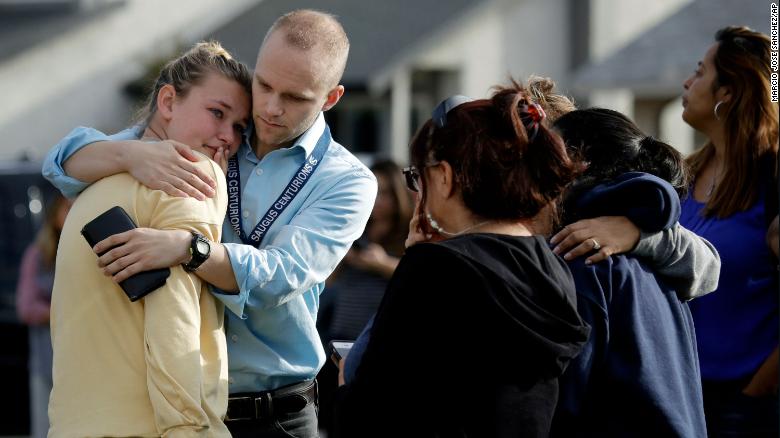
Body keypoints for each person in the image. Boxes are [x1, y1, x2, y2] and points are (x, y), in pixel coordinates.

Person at [42, 10, 377, 437]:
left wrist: (191, 249)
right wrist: (132, 153)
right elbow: (62, 161)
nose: (271, 109)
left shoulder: (347, 181)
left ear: (331, 98)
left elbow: (283, 274)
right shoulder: (219, 129)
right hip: (182, 406)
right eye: (265, 85)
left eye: (295, 97)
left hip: (277, 415)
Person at [334, 85, 591, 437]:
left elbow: (371, 408)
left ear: (444, 176)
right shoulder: (551, 264)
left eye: (416, 177)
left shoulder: (437, 268)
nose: (417, 192)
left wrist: (347, 379)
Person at [47, 41, 251, 437]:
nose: (228, 136)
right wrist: (192, 429)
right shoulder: (192, 173)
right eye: (217, 113)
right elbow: (174, 321)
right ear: (169, 102)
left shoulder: (94, 184)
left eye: (240, 127)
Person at [549, 108, 707, 437]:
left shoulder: (584, 259)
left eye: (543, 154)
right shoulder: (658, 258)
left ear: (577, 164)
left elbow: (561, 405)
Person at [679, 25, 779, 436]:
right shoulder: (682, 175)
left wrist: (752, 398)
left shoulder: (772, 177)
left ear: (728, 92)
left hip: (747, 409)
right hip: (682, 397)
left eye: (700, 72)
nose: (687, 82)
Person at [15, 194, 71, 438]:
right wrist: (63, 312)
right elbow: (26, 306)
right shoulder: (38, 255)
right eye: (67, 209)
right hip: (47, 360)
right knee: (45, 429)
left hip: (82, 359)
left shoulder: (89, 251)